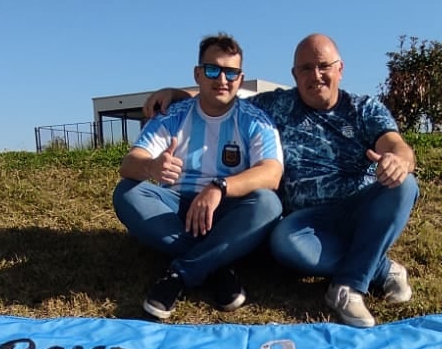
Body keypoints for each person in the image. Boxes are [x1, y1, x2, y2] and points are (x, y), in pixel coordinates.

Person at [145, 33, 417, 328]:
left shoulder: (364, 108)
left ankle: (348, 286)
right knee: (284, 244)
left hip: (358, 210)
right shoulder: (274, 105)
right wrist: (175, 93)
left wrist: (398, 158)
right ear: (294, 74)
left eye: (324, 66)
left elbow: (395, 144)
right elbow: (222, 94)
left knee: (405, 184)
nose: (316, 75)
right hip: (304, 225)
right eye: (306, 68)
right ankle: (379, 266)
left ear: (340, 68)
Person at [114, 33, 284, 321]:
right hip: (177, 206)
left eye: (231, 72)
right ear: (197, 74)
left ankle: (180, 273)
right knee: (127, 193)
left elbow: (272, 173)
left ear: (241, 79)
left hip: (227, 209)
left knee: (268, 204)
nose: (222, 79)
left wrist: (220, 187)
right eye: (212, 70)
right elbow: (129, 163)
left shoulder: (255, 120)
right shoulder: (172, 115)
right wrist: (151, 168)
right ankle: (217, 263)